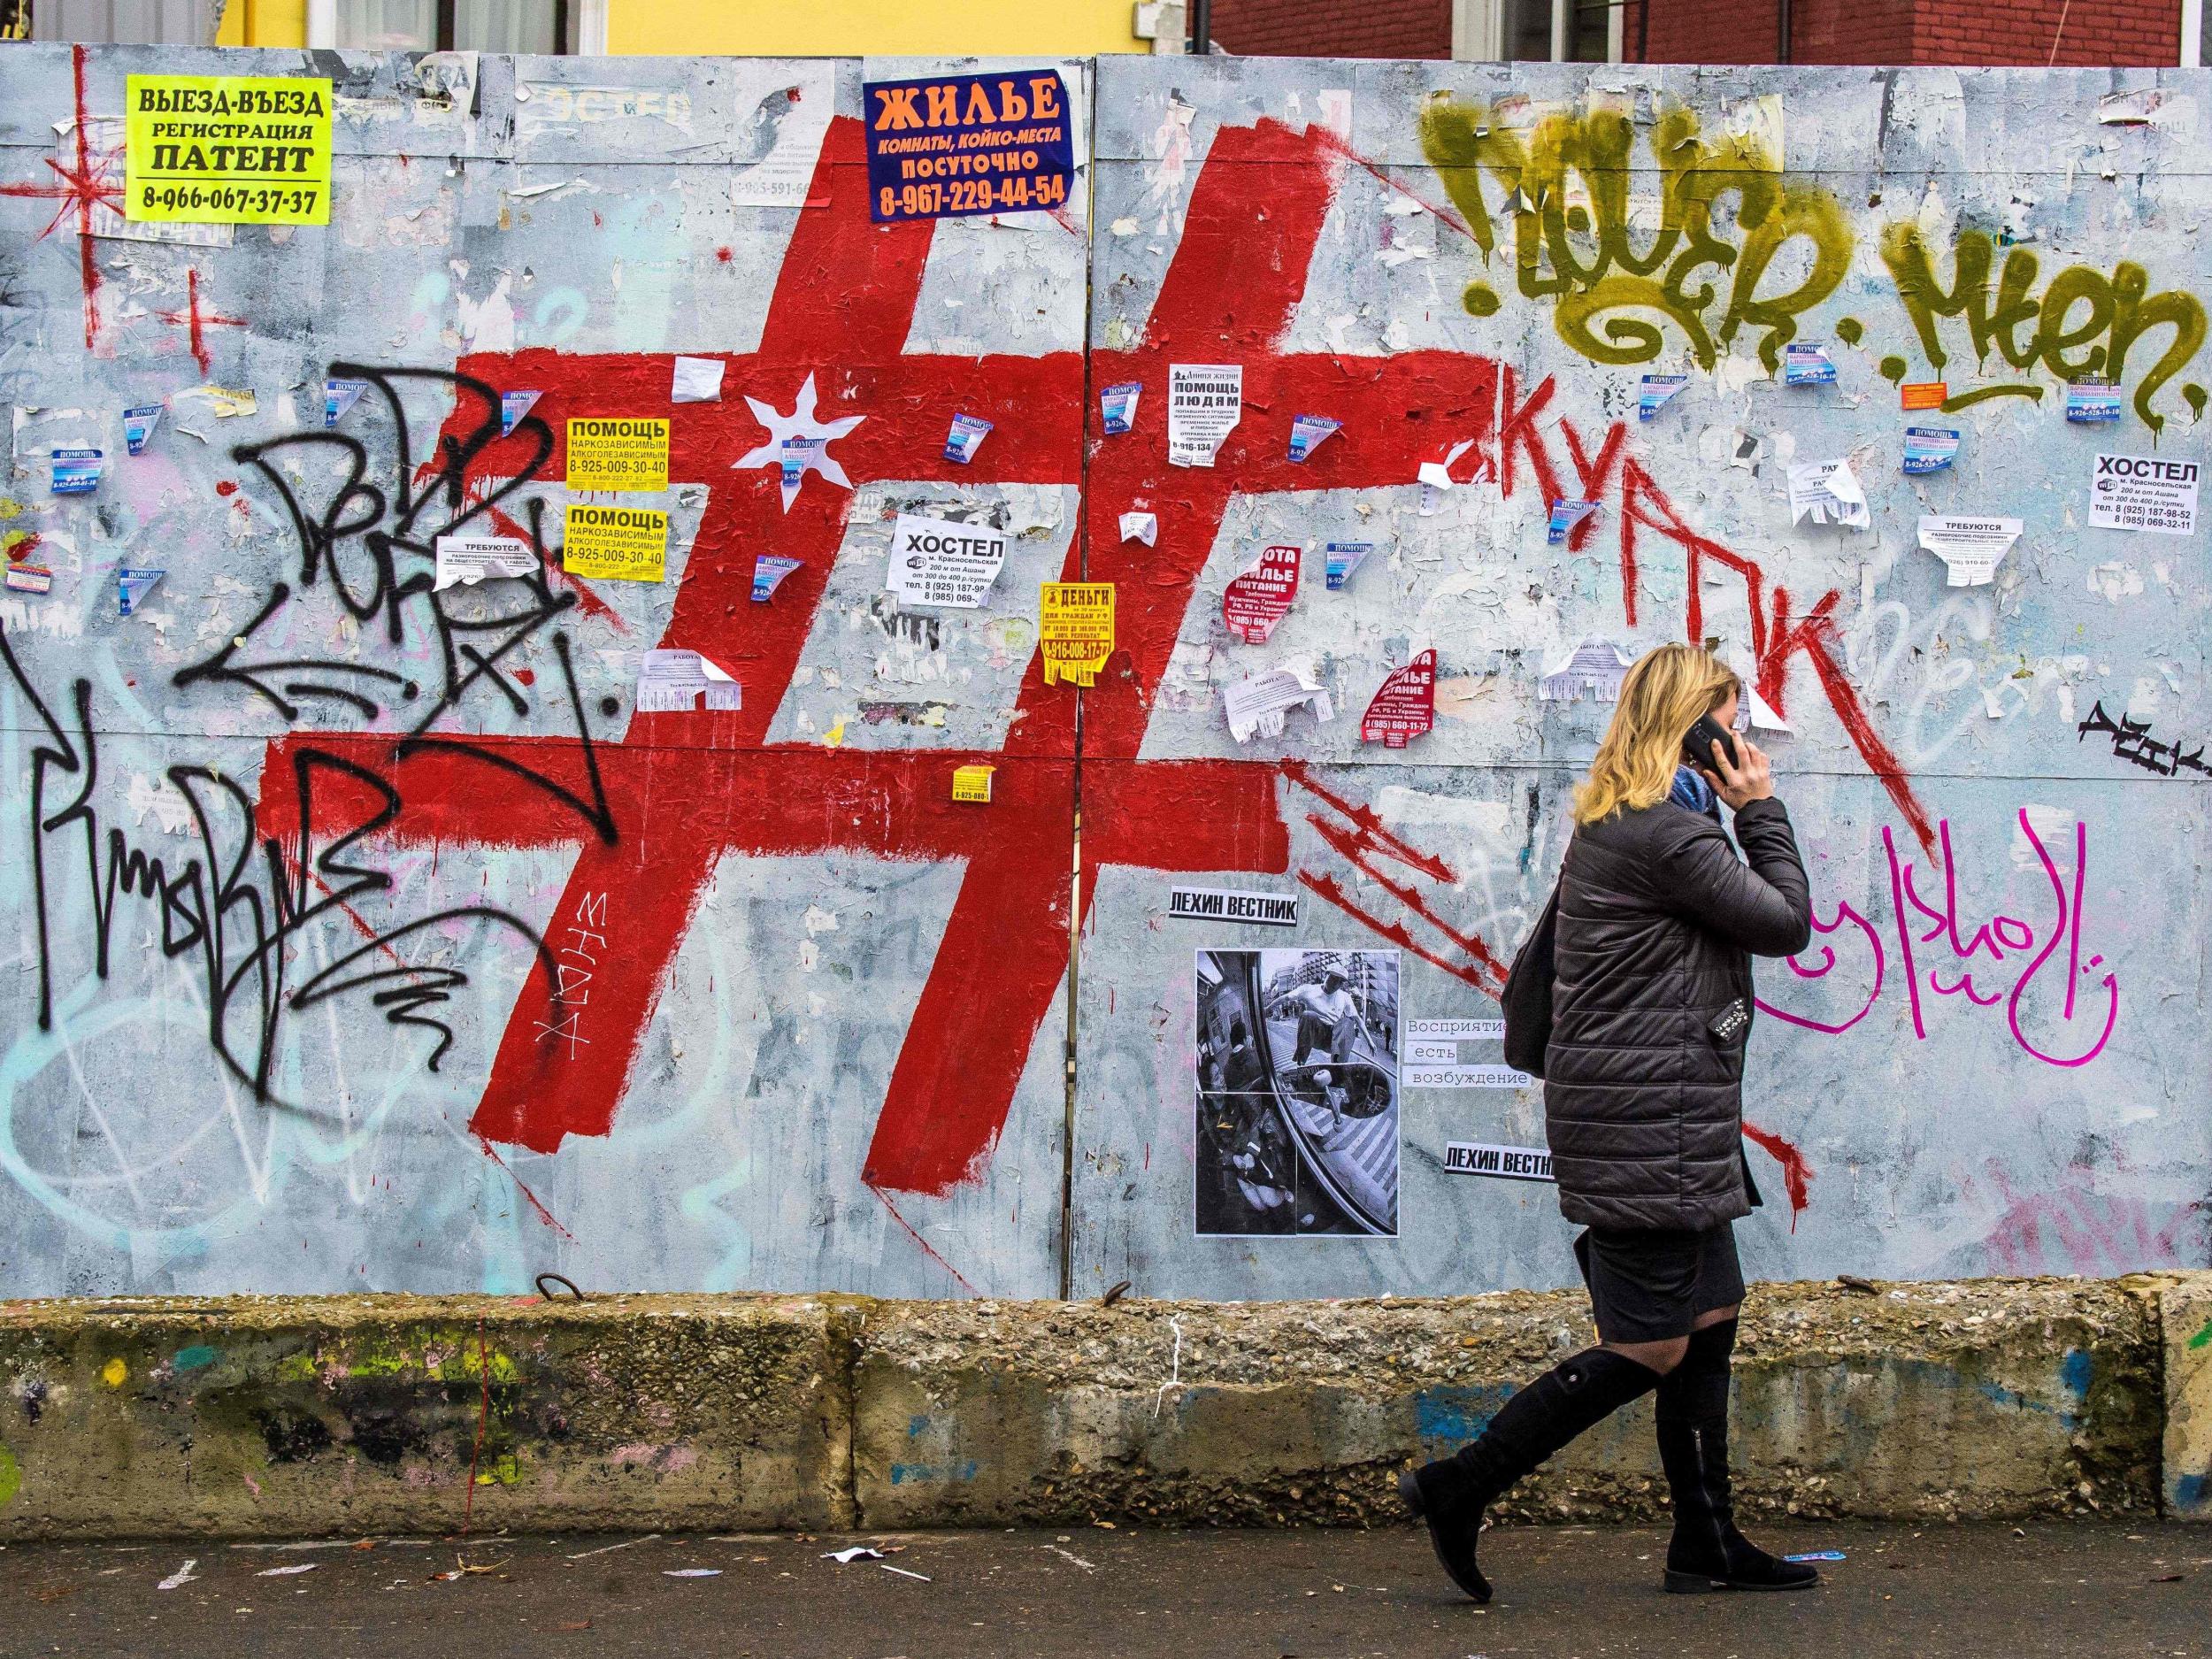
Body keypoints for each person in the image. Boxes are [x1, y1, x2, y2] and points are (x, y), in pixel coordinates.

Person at [1400, 643, 1816, 1601]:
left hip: (1663, 1109)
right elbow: (1783, 922)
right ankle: (1461, 1486)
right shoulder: (1663, 830)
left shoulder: (1644, 816)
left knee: (1708, 1318)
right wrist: (1761, 809)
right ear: (1694, 724)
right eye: (1729, 718)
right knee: (1652, 1343)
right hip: (1646, 1120)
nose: (1743, 737)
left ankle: (1704, 1543)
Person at [1283, 967, 1359, 1064]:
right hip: (1317, 1036)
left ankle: (1339, 1063)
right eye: (1333, 980)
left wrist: (1369, 1041)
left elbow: (1358, 1019)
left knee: (1347, 1022)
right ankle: (1301, 1061)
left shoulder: (1343, 996)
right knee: (1308, 1015)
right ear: (1325, 977)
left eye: (1339, 983)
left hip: (1332, 1040)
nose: (1335, 986)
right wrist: (1268, 1008)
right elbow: (1286, 997)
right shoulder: (1312, 991)